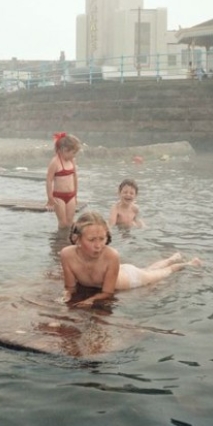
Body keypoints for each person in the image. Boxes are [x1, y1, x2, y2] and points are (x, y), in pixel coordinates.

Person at [60, 211, 201, 308]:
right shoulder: (67, 255)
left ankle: (186, 263)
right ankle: (171, 258)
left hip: (131, 278)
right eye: (91, 240)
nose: (98, 246)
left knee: (162, 273)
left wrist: (90, 300)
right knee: (149, 269)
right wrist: (66, 295)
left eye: (102, 239)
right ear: (77, 238)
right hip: (119, 271)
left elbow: (108, 292)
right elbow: (70, 287)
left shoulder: (111, 255)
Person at [45, 132, 82, 229]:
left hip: (71, 195)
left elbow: (75, 177)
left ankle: (69, 241)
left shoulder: (72, 161)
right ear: (64, 150)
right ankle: (60, 242)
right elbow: (49, 180)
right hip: (59, 196)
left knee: (70, 222)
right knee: (63, 223)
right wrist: (50, 198)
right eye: (73, 153)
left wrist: (75, 195)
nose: (74, 156)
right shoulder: (55, 162)